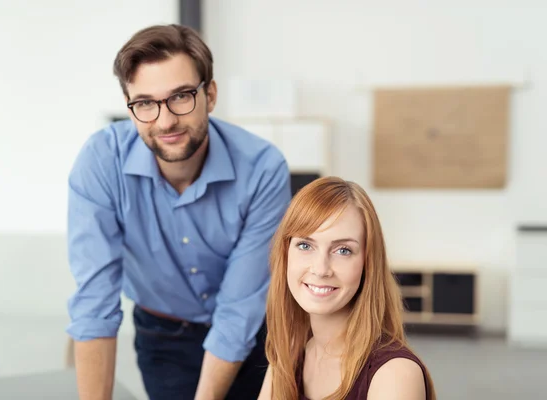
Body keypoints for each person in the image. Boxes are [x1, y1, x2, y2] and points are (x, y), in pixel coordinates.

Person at [65, 24, 292, 400]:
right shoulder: (101, 162)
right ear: (130, 106)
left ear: (211, 94)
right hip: (163, 336)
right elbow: (95, 305)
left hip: (256, 336)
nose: (165, 120)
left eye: (181, 97)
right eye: (145, 103)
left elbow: (239, 312)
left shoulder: (262, 168)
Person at [258, 177, 437, 400]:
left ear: (367, 263)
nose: (321, 269)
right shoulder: (288, 357)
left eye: (343, 250)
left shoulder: (395, 375)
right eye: (305, 245)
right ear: (285, 255)